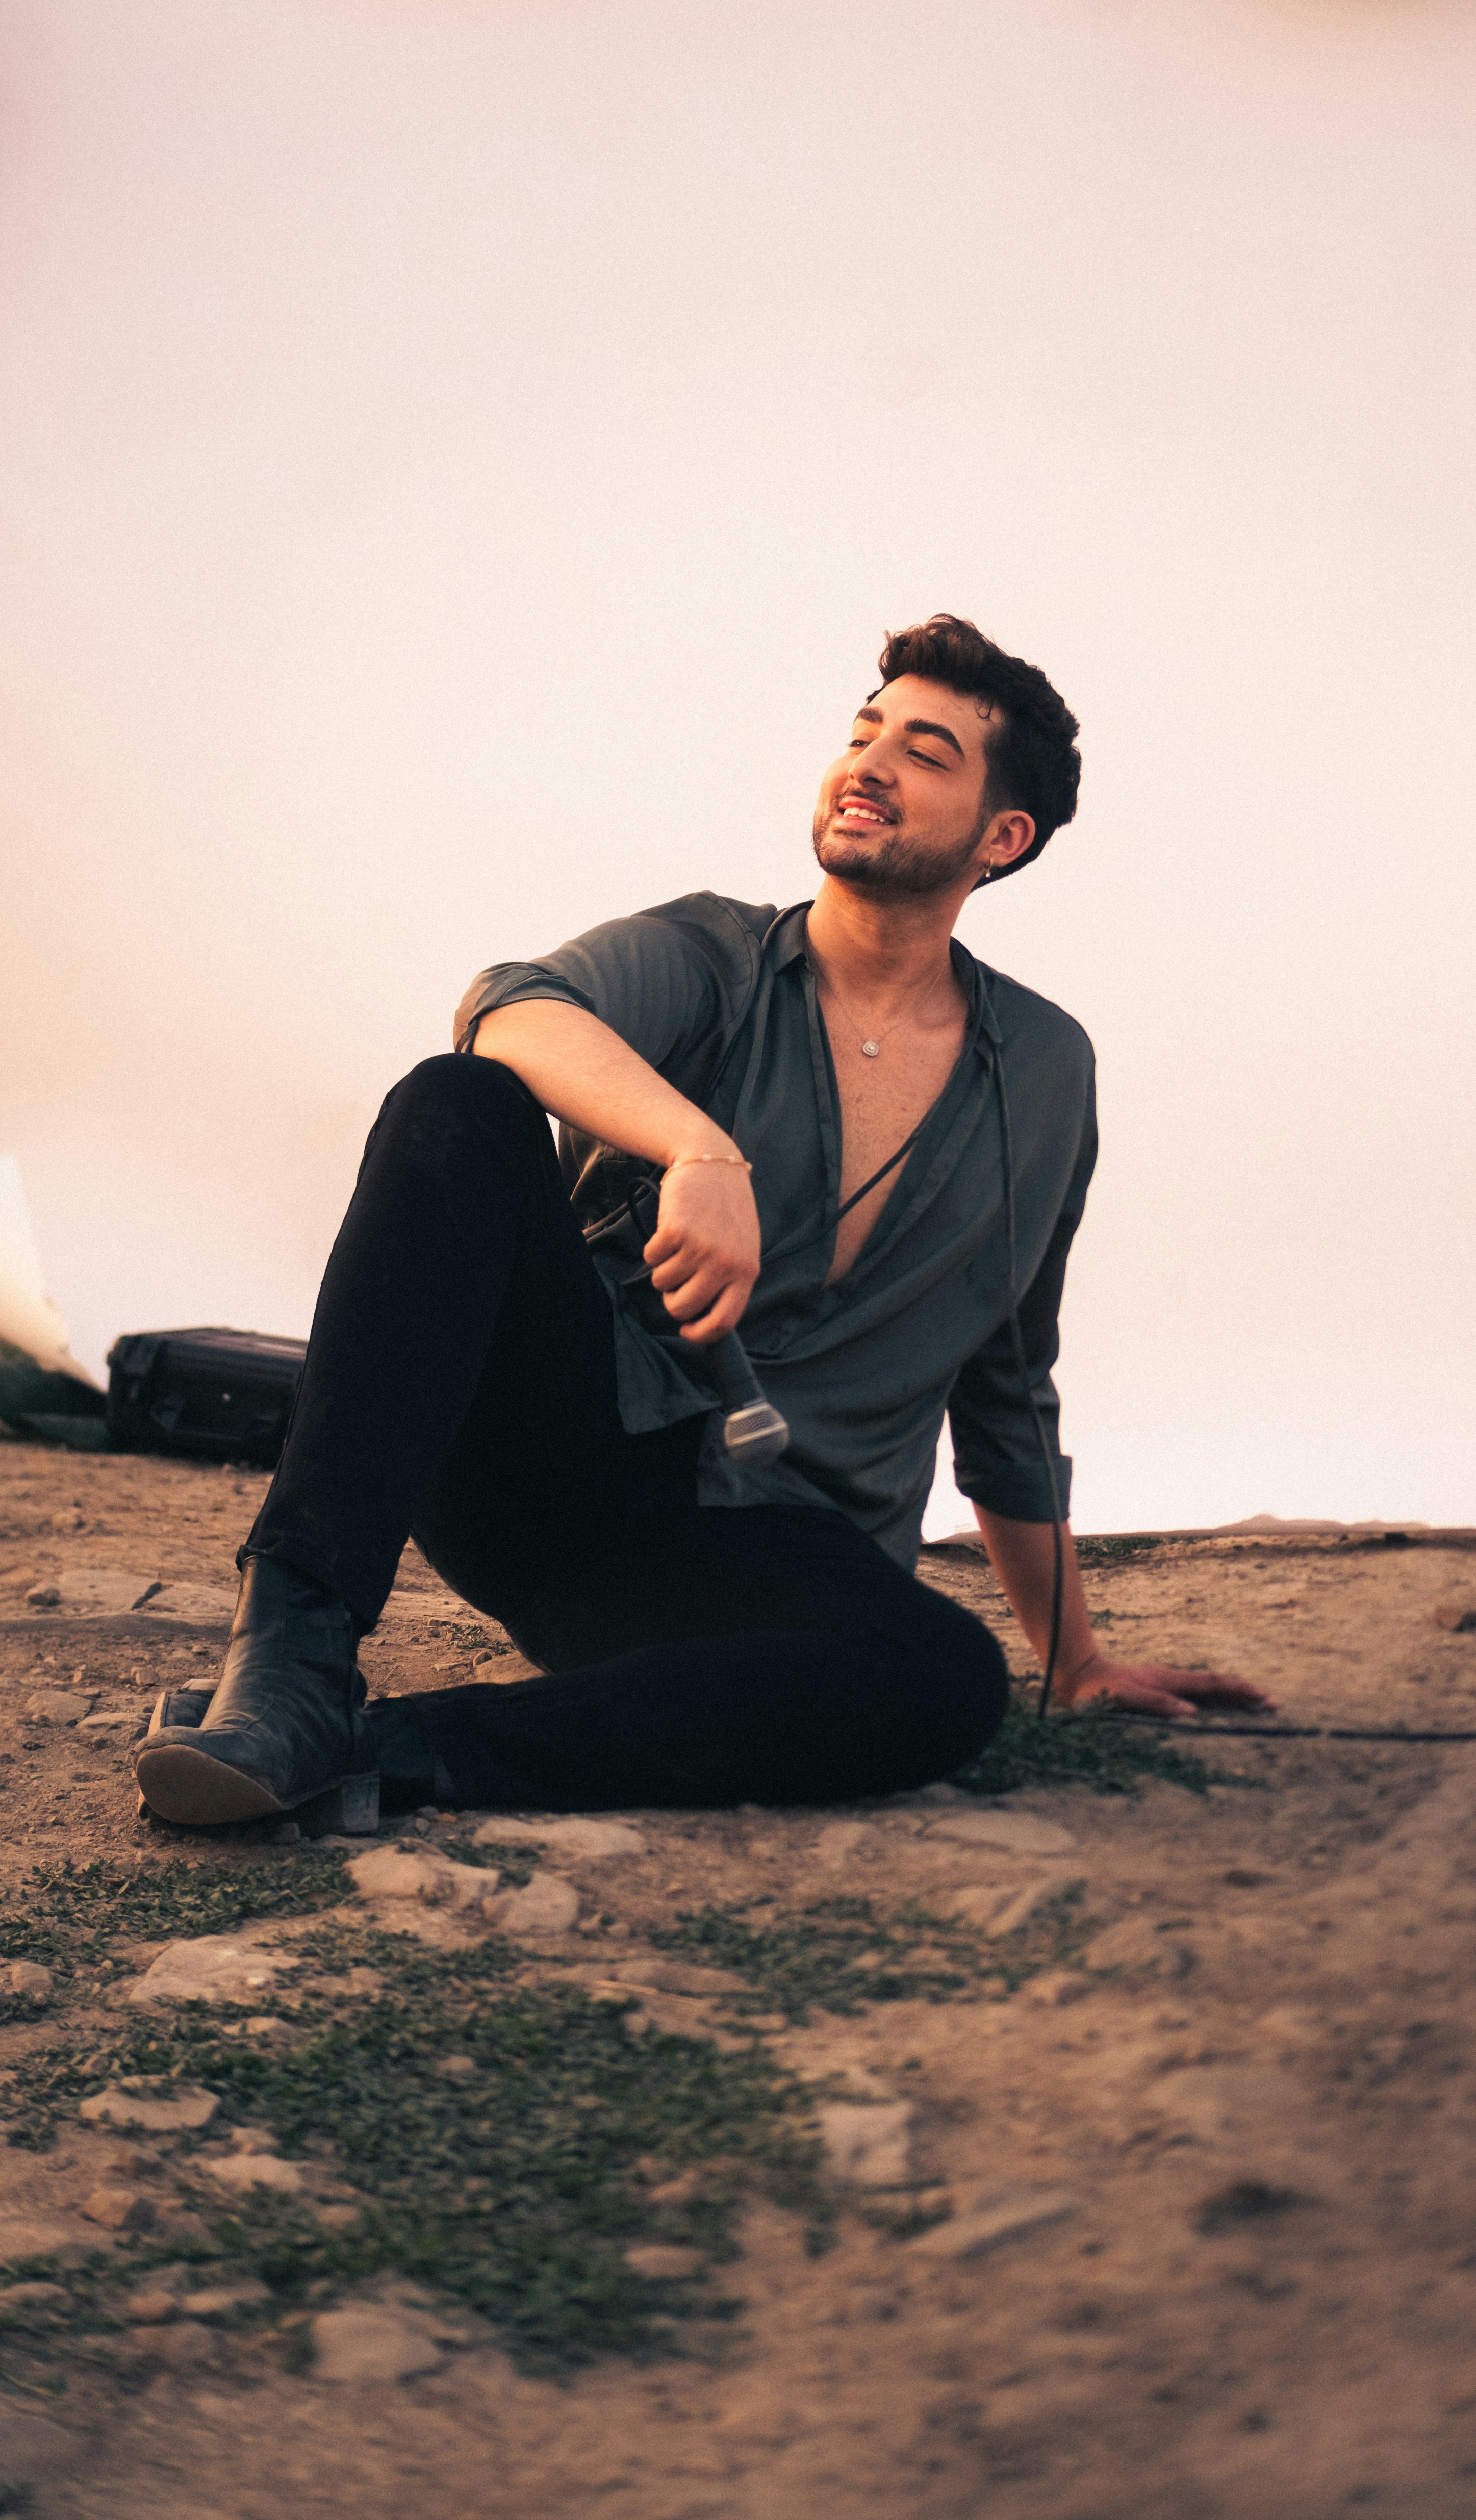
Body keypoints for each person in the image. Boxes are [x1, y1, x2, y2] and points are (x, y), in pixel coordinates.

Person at [135, 614, 1270, 1828]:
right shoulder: (715, 958)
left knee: (945, 1682)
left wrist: (1073, 1658)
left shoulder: (1043, 1072)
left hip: (768, 1558)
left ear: (1003, 836)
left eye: (926, 752)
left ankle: (374, 1754)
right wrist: (696, 1145)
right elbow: (508, 1007)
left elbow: (1008, 1382)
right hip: (555, 1467)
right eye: (862, 732)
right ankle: (292, 1660)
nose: (869, 765)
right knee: (457, 1104)